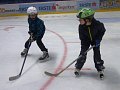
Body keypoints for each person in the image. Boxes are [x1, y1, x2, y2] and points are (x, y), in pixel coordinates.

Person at [74, 8, 106, 79]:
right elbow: (82, 38)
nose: (79, 21)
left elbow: (102, 31)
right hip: (86, 41)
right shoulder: (81, 27)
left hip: (95, 40)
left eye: (81, 19)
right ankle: (78, 66)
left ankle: (99, 66)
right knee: (82, 53)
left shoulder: (98, 25)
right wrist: (83, 47)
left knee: (97, 53)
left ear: (87, 19)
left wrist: (98, 39)